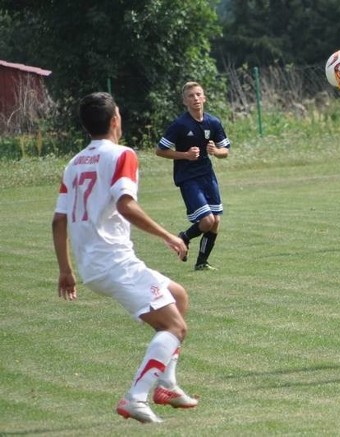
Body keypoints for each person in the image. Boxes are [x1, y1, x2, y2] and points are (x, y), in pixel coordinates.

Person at [52, 92, 198, 424]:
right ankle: (136, 396)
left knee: (177, 296)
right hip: (115, 263)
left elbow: (58, 220)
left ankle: (168, 385)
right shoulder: (123, 155)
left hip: (92, 265)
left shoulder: (74, 163)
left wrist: (66, 270)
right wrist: (168, 236)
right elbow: (125, 205)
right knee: (175, 326)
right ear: (116, 120)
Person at [156, 81, 231, 271]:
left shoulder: (213, 122)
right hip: (188, 177)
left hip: (207, 175)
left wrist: (215, 151)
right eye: (191, 96)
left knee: (216, 221)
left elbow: (226, 151)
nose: (195, 99)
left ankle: (201, 262)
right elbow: (160, 150)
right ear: (184, 101)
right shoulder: (180, 124)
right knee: (207, 221)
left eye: (198, 94)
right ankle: (184, 238)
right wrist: (185, 155)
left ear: (204, 97)